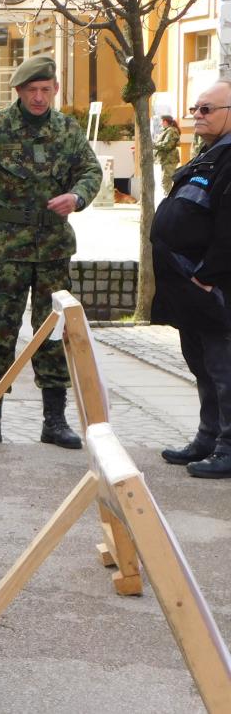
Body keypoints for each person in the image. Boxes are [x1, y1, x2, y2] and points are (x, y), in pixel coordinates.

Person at [0, 56, 101, 450]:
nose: (39, 97)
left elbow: (90, 171)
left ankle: (54, 421)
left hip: (53, 250)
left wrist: (77, 197)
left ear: (55, 89)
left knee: (53, 332)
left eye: (45, 90)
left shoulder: (67, 129)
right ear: (19, 92)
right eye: (31, 90)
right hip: (7, 250)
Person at [153, 80, 231, 478]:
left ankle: (228, 447)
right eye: (196, 109)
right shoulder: (208, 154)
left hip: (212, 288)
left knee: (223, 369)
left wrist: (207, 277)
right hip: (188, 288)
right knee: (201, 365)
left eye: (207, 109)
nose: (197, 115)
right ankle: (207, 438)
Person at [154, 114, 182, 195]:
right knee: (166, 180)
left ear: (165, 121)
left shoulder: (171, 131)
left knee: (166, 180)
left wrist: (154, 144)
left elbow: (167, 145)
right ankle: (170, 196)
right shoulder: (168, 130)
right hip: (166, 159)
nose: (161, 123)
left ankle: (170, 197)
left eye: (162, 121)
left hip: (169, 159)